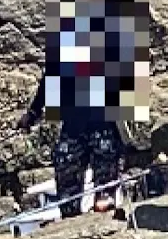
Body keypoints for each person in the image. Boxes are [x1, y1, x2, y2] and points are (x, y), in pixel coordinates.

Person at [16, 68, 125, 218]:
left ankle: (106, 221)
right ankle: (72, 221)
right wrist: (33, 112)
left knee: (104, 199)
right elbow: (51, 76)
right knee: (67, 199)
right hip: (72, 125)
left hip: (104, 125)